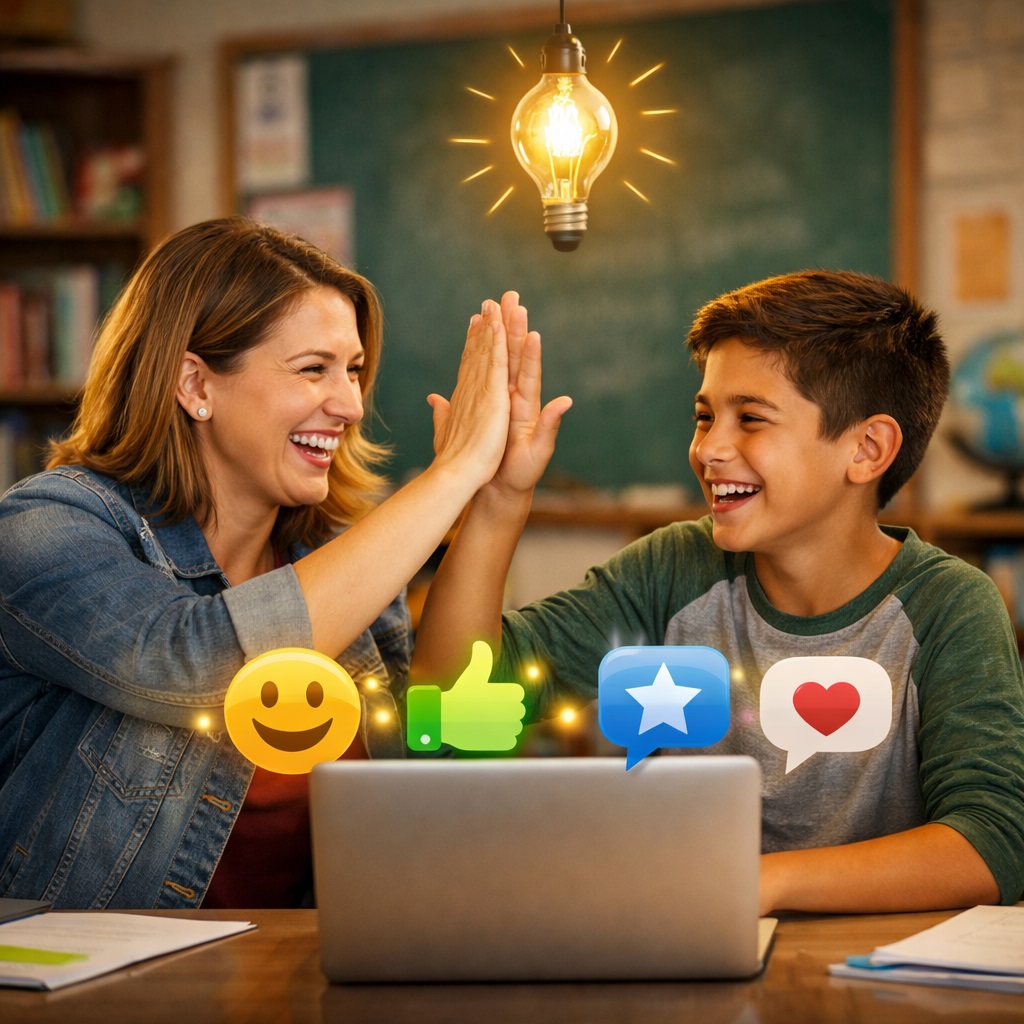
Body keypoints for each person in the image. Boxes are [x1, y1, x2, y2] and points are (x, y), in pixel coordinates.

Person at [412, 269, 1024, 915]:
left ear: (867, 449)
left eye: (751, 419)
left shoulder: (950, 607)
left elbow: (993, 843)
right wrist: (495, 500)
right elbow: (453, 709)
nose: (710, 449)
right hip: (687, 953)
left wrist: (762, 882)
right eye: (704, 417)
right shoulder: (672, 570)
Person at [0, 216, 533, 909]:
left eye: (355, 372)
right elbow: (197, 658)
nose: (348, 404)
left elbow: (437, 752)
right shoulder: (42, 526)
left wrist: (495, 499)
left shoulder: (336, 556)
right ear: (195, 383)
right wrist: (452, 473)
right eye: (313, 369)